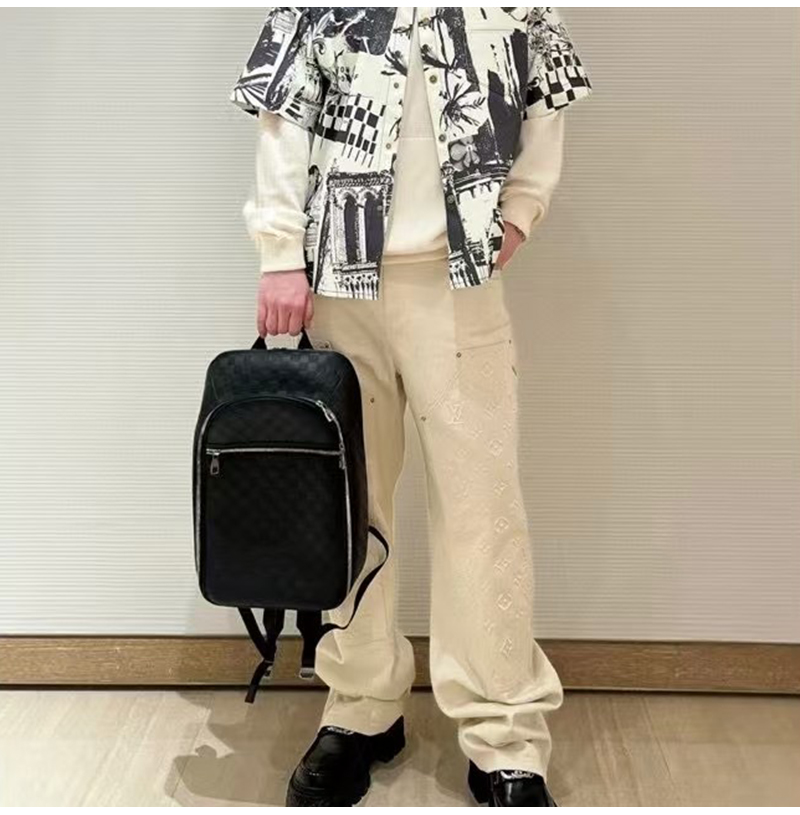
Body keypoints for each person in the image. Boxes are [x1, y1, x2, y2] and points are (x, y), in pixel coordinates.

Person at [229, 7, 592, 806]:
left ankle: (505, 733)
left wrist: (520, 213)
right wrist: (279, 252)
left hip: (459, 287)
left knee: (483, 511)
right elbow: (283, 115)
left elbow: (545, 98)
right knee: (349, 510)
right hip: (338, 283)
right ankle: (359, 706)